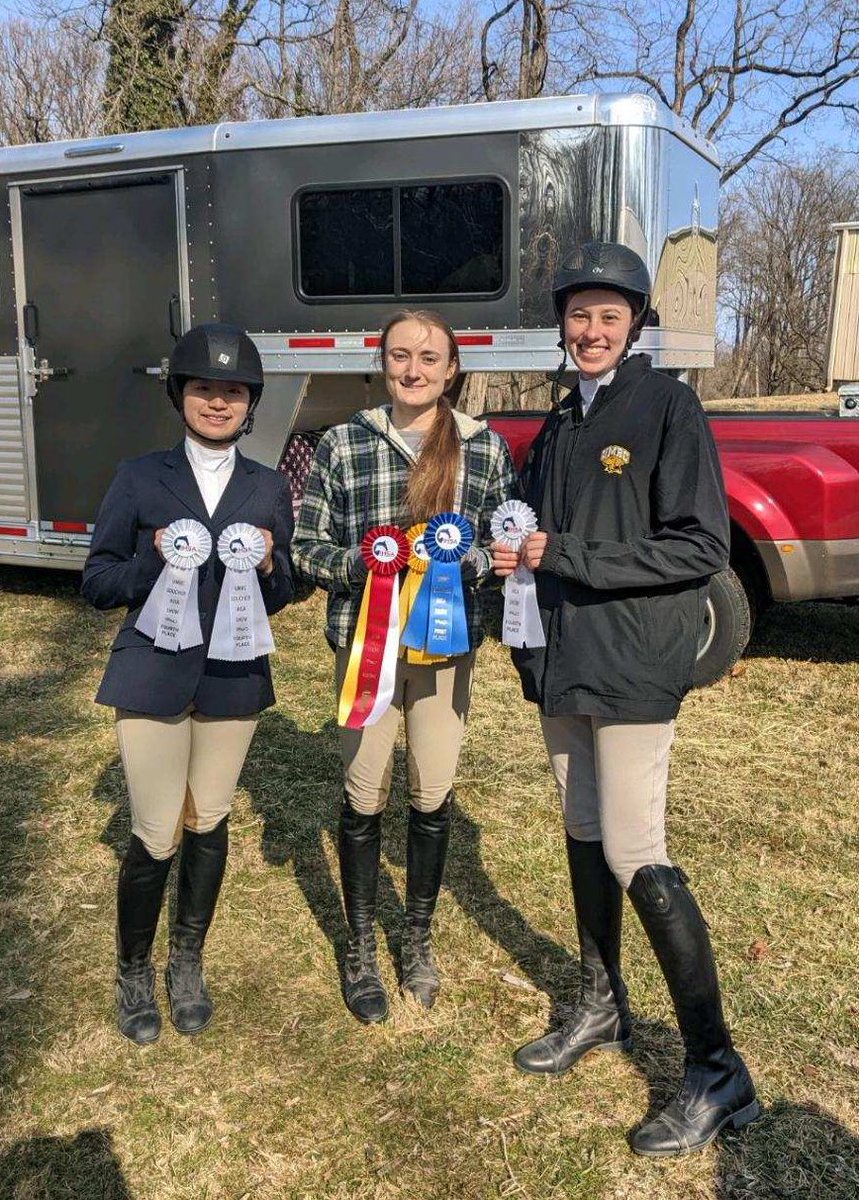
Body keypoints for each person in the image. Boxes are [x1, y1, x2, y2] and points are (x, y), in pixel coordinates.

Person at [492, 243, 759, 1157]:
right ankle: (601, 1004)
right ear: (561, 323)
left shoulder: (667, 407)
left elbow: (697, 548)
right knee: (579, 831)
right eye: (578, 315)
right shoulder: (563, 420)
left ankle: (717, 1071)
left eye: (609, 315)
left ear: (635, 323)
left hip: (634, 665)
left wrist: (563, 555)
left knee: (635, 849)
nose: (592, 330)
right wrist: (513, 566)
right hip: (562, 662)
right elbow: (529, 537)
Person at [292, 309, 517, 1023]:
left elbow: (502, 543)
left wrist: (461, 563)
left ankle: (415, 937)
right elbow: (305, 544)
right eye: (399, 356)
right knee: (364, 790)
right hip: (366, 648)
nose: (413, 370)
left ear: (452, 368)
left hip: (445, 651)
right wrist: (371, 570)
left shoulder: (484, 450)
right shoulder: (341, 443)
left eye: (428, 358)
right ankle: (360, 943)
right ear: (381, 362)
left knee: (431, 789)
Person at [82, 323, 294, 1045]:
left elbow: (284, 591)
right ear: (180, 395)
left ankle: (187, 960)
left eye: (232, 391)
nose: (217, 401)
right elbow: (97, 581)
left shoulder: (268, 488)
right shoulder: (139, 477)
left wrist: (269, 568)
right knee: (154, 831)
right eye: (204, 387)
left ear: (250, 404)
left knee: (209, 820)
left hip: (233, 678)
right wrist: (156, 560)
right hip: (150, 673)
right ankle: (133, 967)